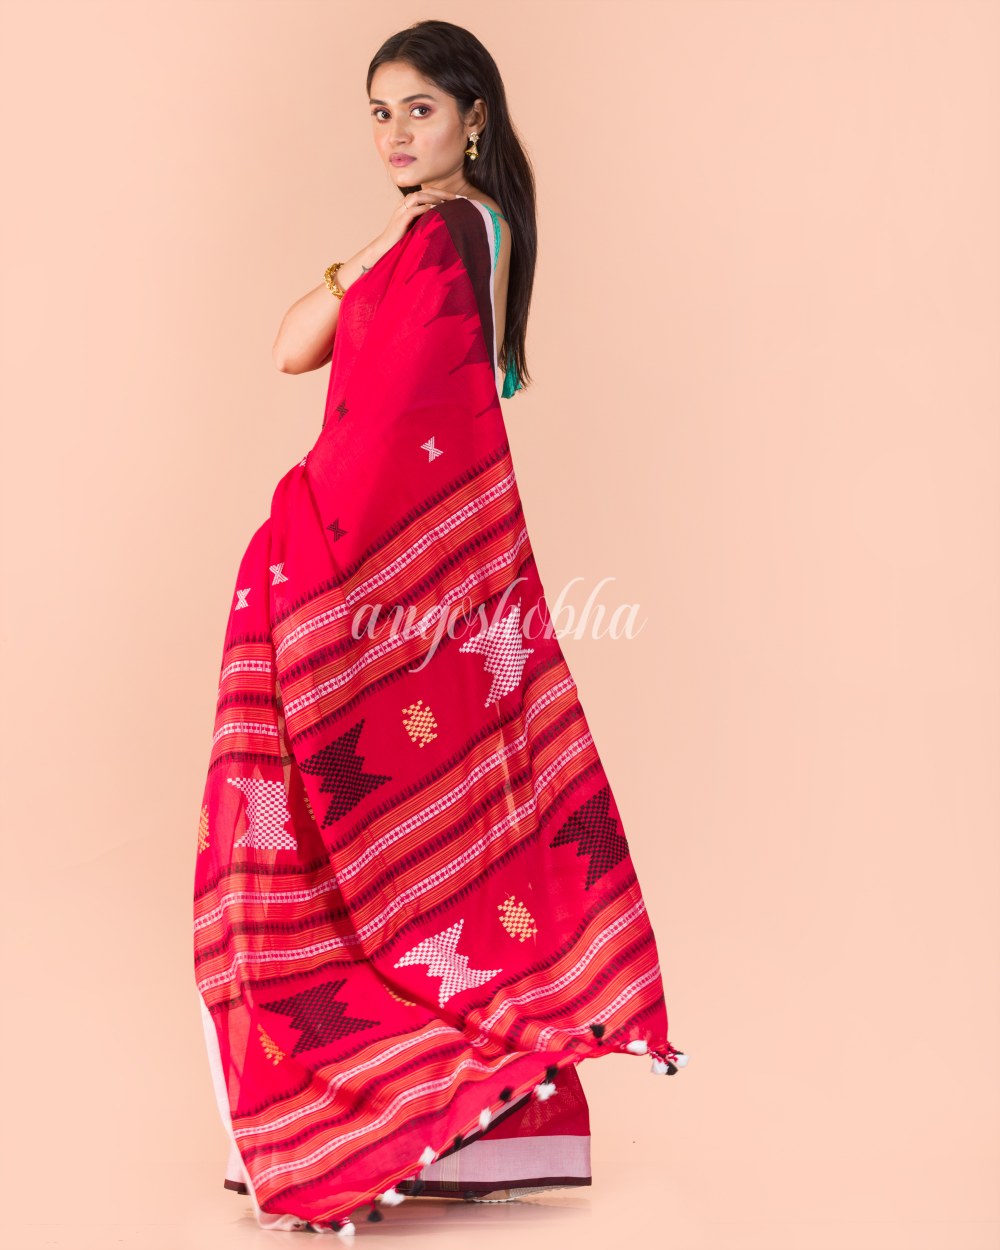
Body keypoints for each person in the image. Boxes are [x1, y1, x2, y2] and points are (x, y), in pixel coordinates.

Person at [192, 18, 687, 1236]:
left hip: (383, 586)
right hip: (433, 597)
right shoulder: (443, 232)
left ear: (475, 116)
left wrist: (299, 546)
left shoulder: (455, 236)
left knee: (388, 852)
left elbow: (386, 435)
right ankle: (481, 1123)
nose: (393, 133)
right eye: (378, 112)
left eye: (419, 109)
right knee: (442, 851)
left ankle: (378, 1112)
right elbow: (290, 348)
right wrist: (386, 231)